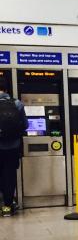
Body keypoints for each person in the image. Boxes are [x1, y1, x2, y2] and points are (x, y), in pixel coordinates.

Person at [0, 87, 27, 217]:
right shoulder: (17, 103)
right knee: (9, 176)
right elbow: (25, 125)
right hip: (12, 146)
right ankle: (7, 206)